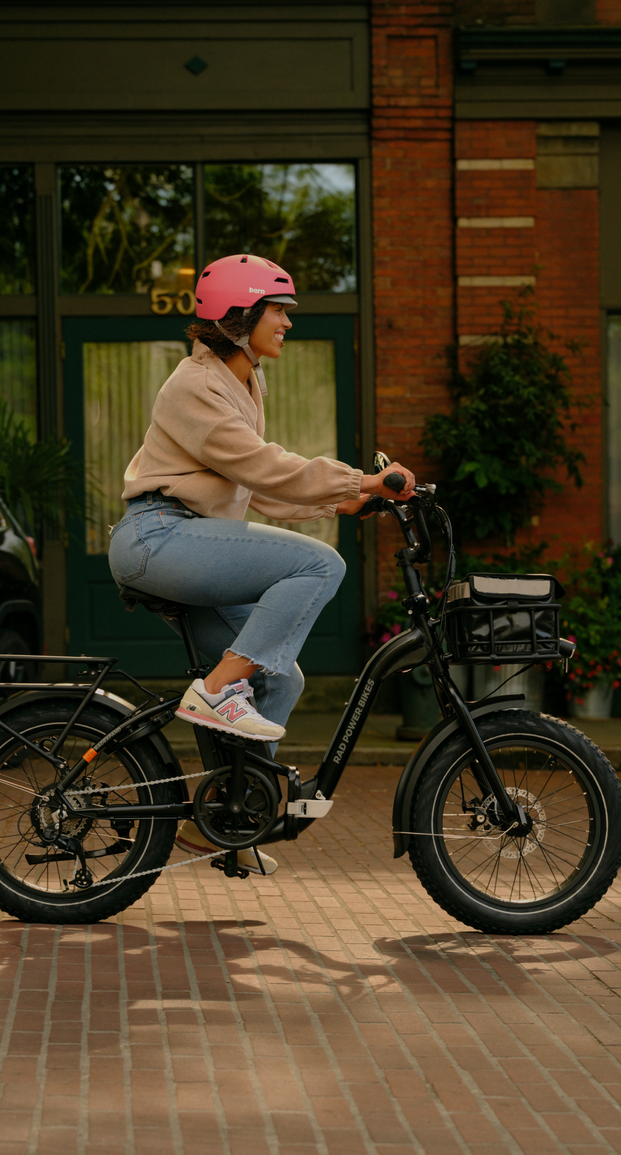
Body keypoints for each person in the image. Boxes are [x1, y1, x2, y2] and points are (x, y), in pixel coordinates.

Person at [108, 253, 415, 874]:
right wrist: (362, 479)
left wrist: (349, 499)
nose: (287, 323)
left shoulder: (242, 383)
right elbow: (265, 466)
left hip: (190, 538)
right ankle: (217, 690)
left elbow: (259, 489)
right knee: (321, 568)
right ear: (240, 315)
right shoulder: (195, 385)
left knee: (283, 678)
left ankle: (231, 814)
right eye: (279, 311)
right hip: (158, 538)